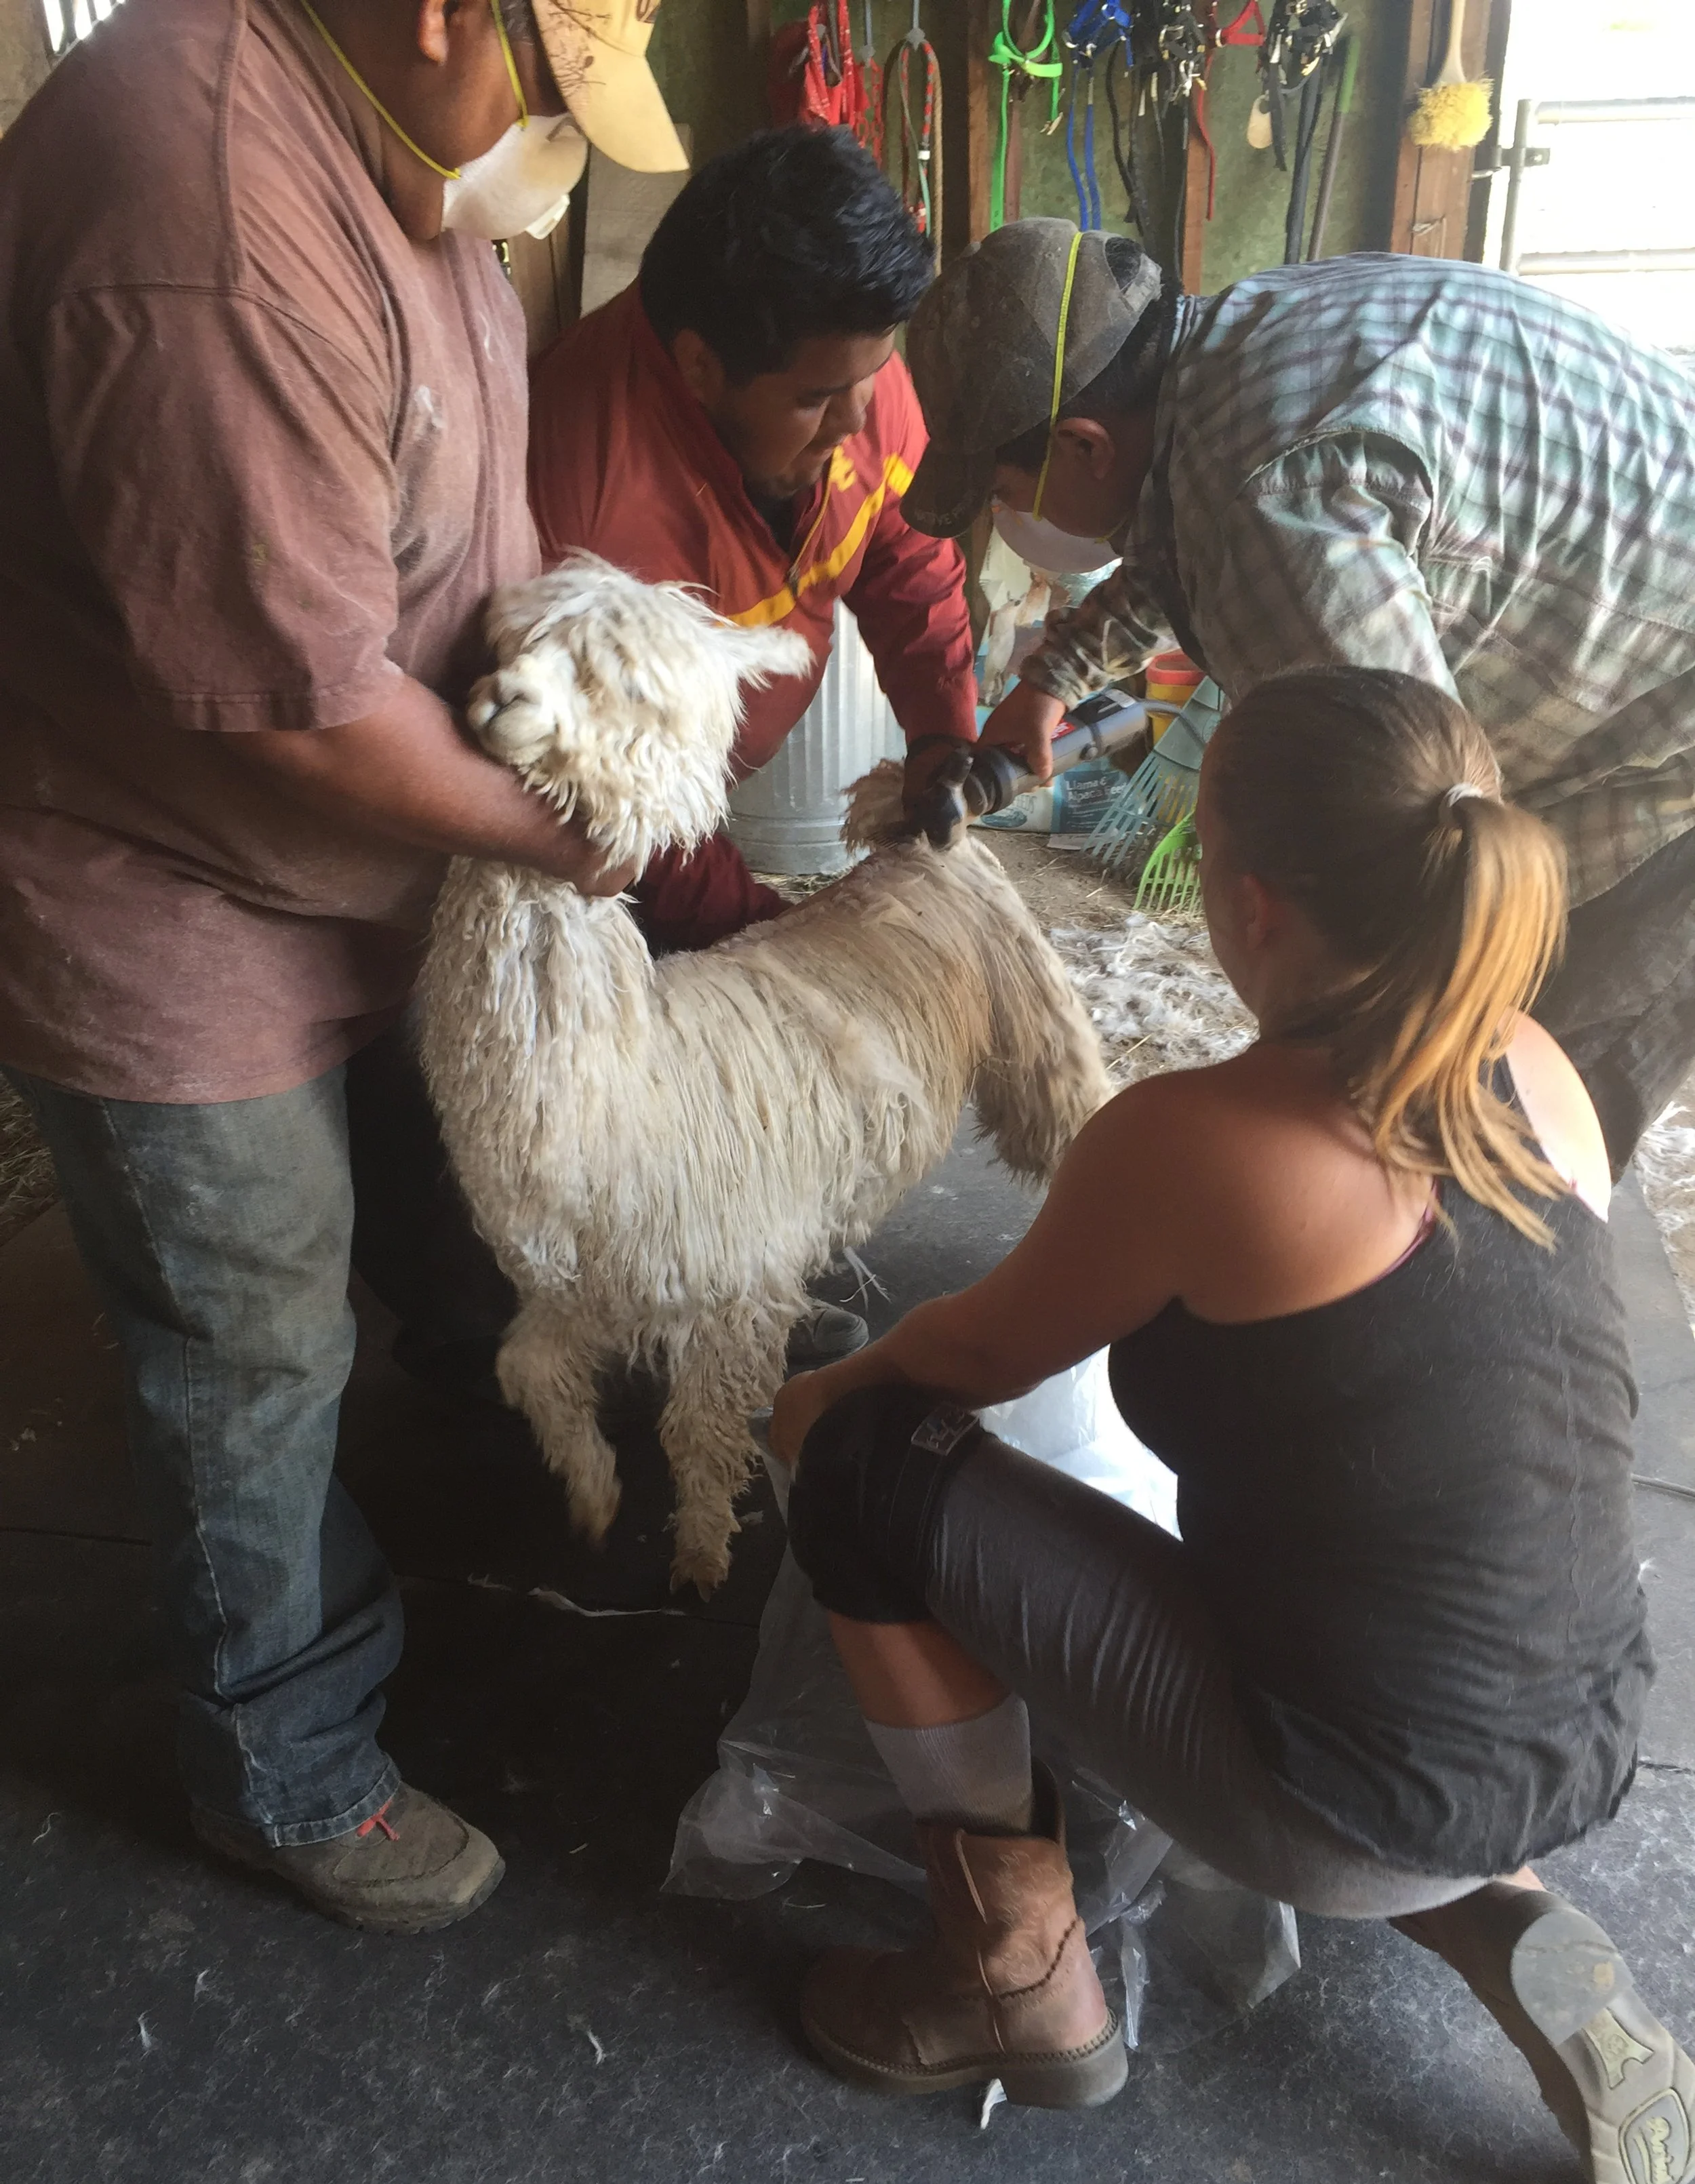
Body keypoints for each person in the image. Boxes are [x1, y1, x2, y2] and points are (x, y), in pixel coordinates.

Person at [769, 669, 1694, 2184]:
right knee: (1417, 1594)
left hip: (1330, 1806)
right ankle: (1499, 1905)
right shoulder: (1540, 1069)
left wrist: (815, 1397)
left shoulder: (1208, 1138)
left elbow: (966, 1355)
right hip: (1579, 1740)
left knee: (864, 1464)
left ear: (1250, 904)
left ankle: (1013, 1976)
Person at [0, 0, 680, 1931]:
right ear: (450, 11)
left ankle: (494, 1399)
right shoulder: (204, 209)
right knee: (252, 1336)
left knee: (453, 1188)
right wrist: (573, 829)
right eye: (547, 84)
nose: (549, 132)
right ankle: (282, 1758)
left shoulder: (403, 136)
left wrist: (581, 681)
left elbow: (463, 512)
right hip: (158, 876)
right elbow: (289, 710)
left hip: (369, 854)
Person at [902, 223, 1695, 1176]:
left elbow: (1408, 821)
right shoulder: (1230, 348)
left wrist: (1295, 1086)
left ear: (1083, 444)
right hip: (1636, 628)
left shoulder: (1274, 505)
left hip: (1668, 761)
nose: (1005, 519)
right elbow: (1184, 538)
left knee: (1483, 1113)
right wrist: (1050, 680)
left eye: (999, 491)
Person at [528, 124, 980, 960]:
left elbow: (908, 554)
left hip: (701, 782)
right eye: (817, 399)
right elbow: (618, 803)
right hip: (602, 842)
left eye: (872, 376)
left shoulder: (846, 367)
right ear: (700, 367)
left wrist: (941, 734)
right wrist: (773, 940)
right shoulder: (583, 514)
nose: (855, 422)